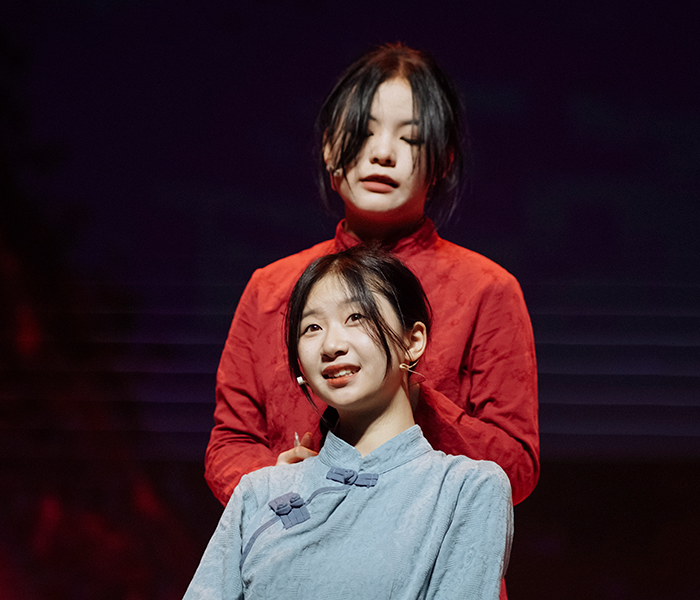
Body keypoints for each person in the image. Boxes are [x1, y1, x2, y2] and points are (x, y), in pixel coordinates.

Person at [205, 43, 538, 508]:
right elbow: (230, 444)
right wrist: (277, 482)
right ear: (328, 148)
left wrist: (413, 396)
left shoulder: (486, 289)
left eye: (411, 139)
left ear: (443, 162)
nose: (382, 153)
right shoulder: (270, 288)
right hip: (298, 544)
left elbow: (515, 469)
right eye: (362, 132)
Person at [184, 246, 513, 599]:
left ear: (413, 341)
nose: (331, 345)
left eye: (357, 317)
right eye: (312, 327)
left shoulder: (466, 488)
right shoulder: (259, 491)